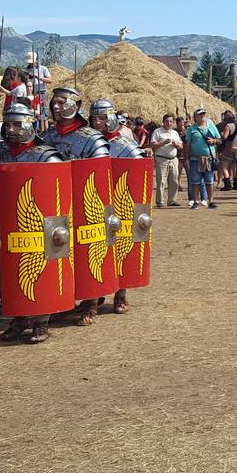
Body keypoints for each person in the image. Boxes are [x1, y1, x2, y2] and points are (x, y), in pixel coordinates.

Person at [37, 86, 111, 325]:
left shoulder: (92, 138)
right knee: (59, 253)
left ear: (76, 106)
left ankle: (91, 302)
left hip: (84, 203)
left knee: (87, 252)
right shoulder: (46, 137)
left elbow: (98, 174)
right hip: (56, 205)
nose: (56, 107)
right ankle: (64, 300)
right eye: (54, 103)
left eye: (62, 102)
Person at [0, 102, 64, 345]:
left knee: (39, 270)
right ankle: (19, 318)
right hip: (6, 222)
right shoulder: (0, 155)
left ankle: (41, 320)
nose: (11, 129)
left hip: (37, 224)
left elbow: (56, 193)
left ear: (30, 124)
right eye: (8, 125)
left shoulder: (46, 156)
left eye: (17, 124)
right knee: (9, 271)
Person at [89, 98, 146, 315]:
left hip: (119, 206)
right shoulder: (87, 143)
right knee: (94, 252)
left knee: (120, 250)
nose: (98, 123)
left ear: (112, 118)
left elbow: (137, 179)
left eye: (103, 118)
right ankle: (92, 299)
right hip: (94, 206)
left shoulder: (127, 147)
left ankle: (121, 294)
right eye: (94, 118)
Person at [183, 108, 221, 209]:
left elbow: (219, 140)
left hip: (209, 158)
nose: (202, 116)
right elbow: (187, 144)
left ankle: (211, 201)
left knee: (210, 181)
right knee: (195, 181)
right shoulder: (191, 129)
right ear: (195, 117)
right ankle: (196, 201)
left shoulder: (211, 127)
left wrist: (214, 141)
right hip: (195, 158)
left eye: (203, 114)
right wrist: (186, 158)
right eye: (199, 114)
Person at [150, 114, 183, 207]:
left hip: (173, 159)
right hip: (161, 159)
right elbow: (153, 145)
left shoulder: (175, 133)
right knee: (161, 181)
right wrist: (163, 143)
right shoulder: (157, 132)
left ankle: (172, 200)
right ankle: (160, 201)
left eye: (171, 121)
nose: (169, 123)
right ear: (163, 122)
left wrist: (176, 145)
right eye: (167, 121)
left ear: (173, 123)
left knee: (174, 180)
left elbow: (181, 146)